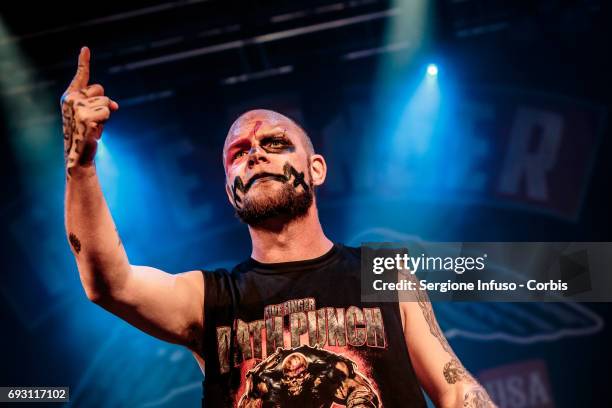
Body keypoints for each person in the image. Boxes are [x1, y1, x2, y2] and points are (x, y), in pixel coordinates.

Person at [62, 47, 495, 408]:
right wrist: (80, 167)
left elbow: (455, 387)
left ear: (317, 169)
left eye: (275, 144)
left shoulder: (380, 273)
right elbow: (109, 284)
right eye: (239, 153)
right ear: (229, 188)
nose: (255, 155)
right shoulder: (210, 300)